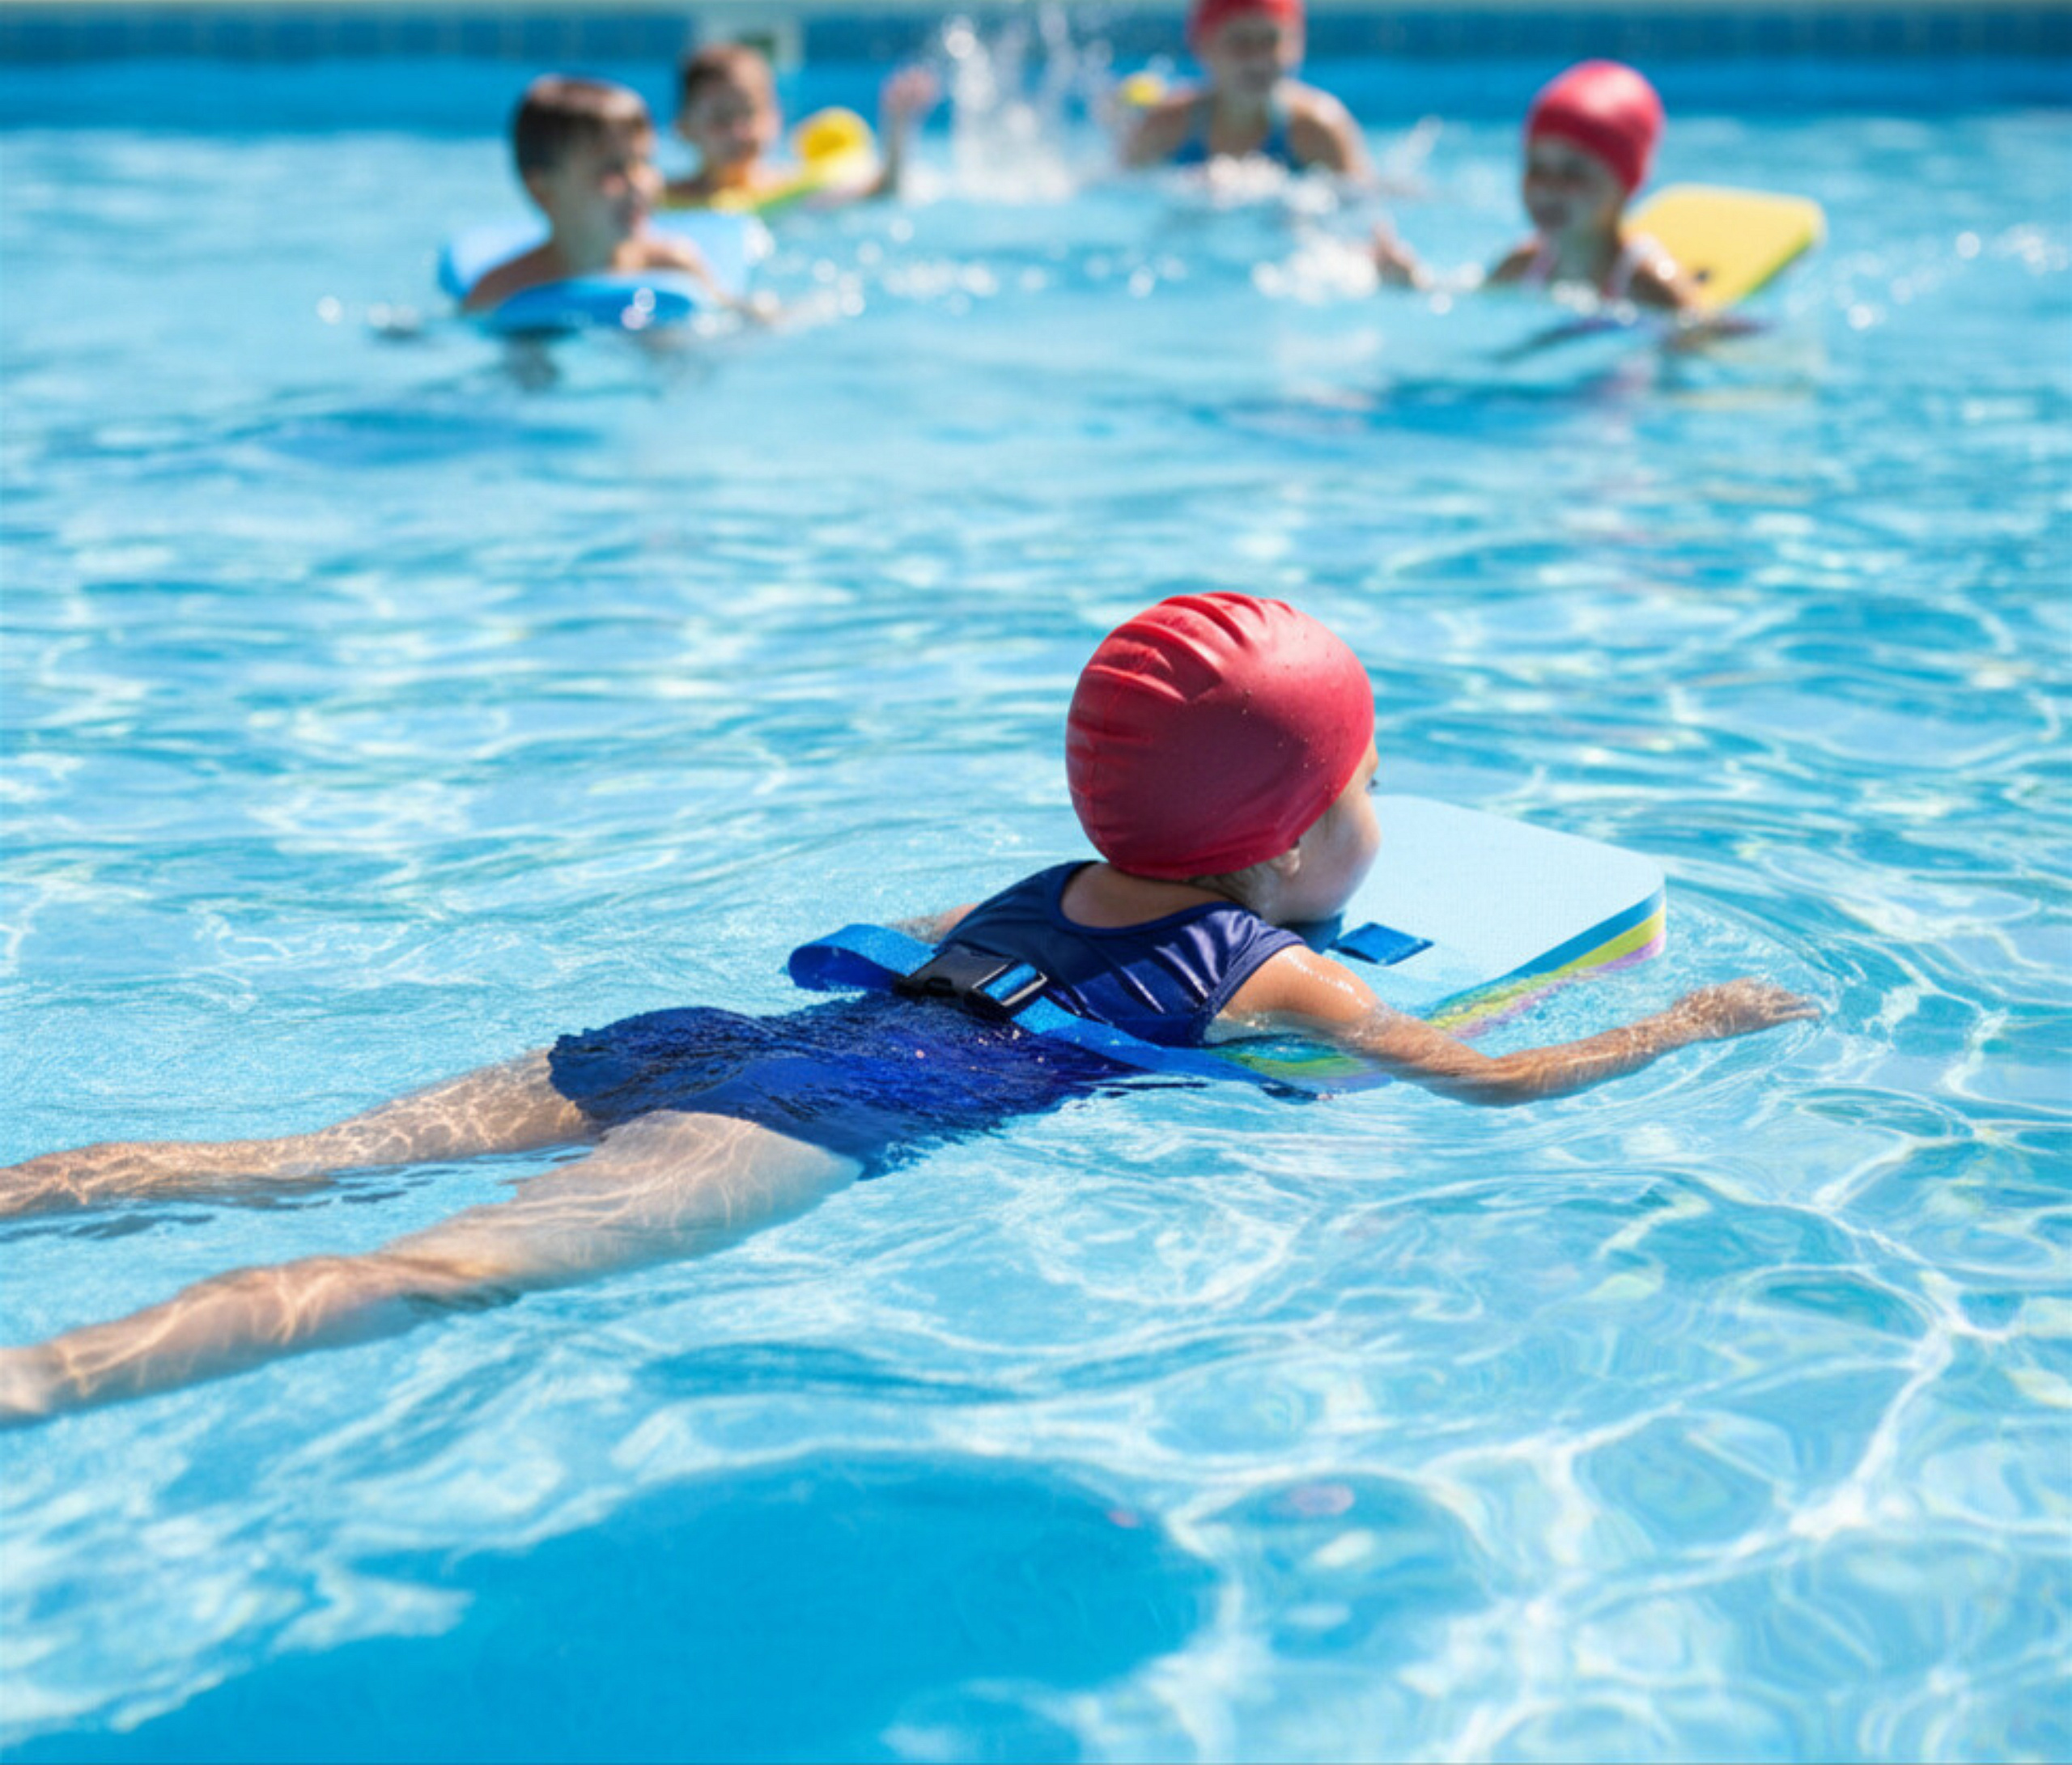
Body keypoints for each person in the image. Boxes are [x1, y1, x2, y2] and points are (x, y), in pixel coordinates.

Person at [0, 595, 1812, 1424]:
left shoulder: (1045, 878)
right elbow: (1485, 1083)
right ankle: (43, 1380)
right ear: (1282, 844)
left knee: (290, 1156)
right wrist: (1685, 1024)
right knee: (429, 1272)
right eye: (1365, 782)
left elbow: (915, 943)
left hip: (702, 1038)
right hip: (804, 1118)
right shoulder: (1275, 962)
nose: (1381, 810)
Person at [1374, 60, 1700, 308]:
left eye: (1573, 172)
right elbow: (1462, 301)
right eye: (1537, 167)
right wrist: (1411, 283)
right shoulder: (1526, 266)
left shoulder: (1646, 284)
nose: (1548, 187)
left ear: (1625, 184)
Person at [462, 75, 732, 316]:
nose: (638, 184)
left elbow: (729, 316)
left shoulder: (674, 266)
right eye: (612, 169)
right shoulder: (504, 290)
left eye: (645, 162)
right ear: (543, 190)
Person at [1119, 0, 1368, 178]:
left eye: (1270, 40)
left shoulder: (1319, 130)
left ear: (1296, 44)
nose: (1257, 58)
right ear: (1205, 45)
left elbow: (1365, 203)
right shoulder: (1166, 127)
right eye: (1240, 41)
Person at [667, 43, 940, 209]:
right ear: (684, 128)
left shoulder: (792, 192)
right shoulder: (664, 198)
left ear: (775, 119)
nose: (739, 132)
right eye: (721, 118)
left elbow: (884, 191)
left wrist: (898, 125)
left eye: (749, 114)